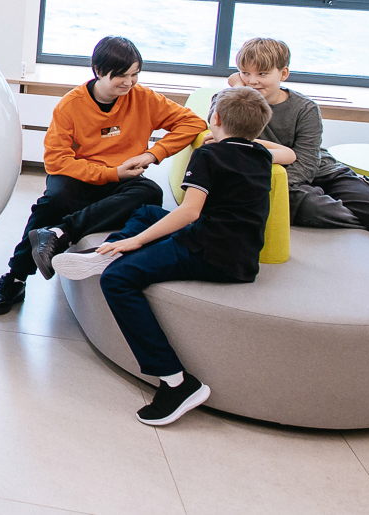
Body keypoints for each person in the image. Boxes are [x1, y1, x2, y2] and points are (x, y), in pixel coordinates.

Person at [54, 87, 284, 426]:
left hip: (209, 251)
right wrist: (244, 137)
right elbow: (289, 154)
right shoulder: (261, 154)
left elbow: (189, 212)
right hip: (240, 252)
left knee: (117, 280)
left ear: (216, 118)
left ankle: (177, 382)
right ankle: (109, 252)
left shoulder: (208, 155)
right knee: (148, 210)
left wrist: (137, 242)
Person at [0, 36, 206, 316]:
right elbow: (57, 161)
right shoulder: (71, 105)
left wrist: (153, 154)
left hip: (123, 180)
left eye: (135, 74)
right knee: (52, 202)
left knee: (151, 193)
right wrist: (110, 173)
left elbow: (193, 122)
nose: (129, 83)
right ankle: (15, 279)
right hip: (79, 177)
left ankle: (61, 234)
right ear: (99, 70)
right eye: (121, 76)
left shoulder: (144, 98)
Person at [228, 36, 369, 256]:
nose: (252, 81)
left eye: (262, 74)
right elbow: (219, 119)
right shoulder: (234, 102)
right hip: (277, 178)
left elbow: (307, 163)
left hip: (323, 172)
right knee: (302, 204)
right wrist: (238, 88)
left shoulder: (305, 108)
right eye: (245, 73)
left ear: (283, 73)